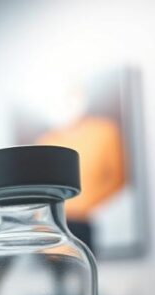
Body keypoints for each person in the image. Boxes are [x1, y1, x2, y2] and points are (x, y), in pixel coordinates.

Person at [36, 85, 126, 251]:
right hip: (52, 225)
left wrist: (85, 206)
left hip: (85, 221)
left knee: (83, 261)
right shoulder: (47, 140)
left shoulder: (103, 132)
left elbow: (118, 178)